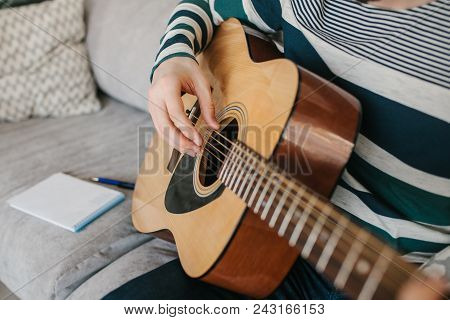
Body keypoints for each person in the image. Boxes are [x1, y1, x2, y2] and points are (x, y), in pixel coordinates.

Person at [104, 0, 449, 299]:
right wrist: (172, 60)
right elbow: (205, 5)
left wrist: (439, 280)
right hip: (266, 238)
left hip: (393, 274)